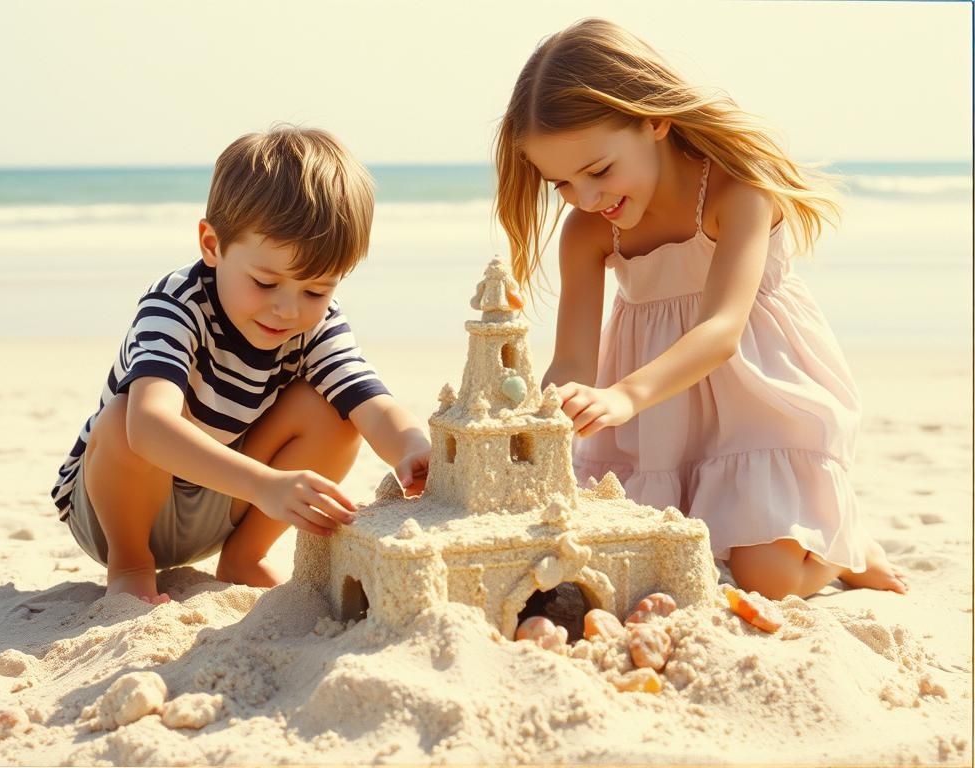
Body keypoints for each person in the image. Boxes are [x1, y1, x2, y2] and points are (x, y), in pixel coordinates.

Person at [493, 18, 906, 600]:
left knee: (771, 580)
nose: (585, 199)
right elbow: (572, 361)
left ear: (655, 120)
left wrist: (624, 395)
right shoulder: (587, 233)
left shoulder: (739, 193)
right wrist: (527, 431)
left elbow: (720, 331)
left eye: (599, 171)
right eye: (559, 184)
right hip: (660, 421)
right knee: (633, 563)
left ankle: (847, 552)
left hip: (758, 397)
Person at [51, 125, 431, 604]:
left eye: (316, 290)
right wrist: (266, 485)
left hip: (224, 499)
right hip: (115, 509)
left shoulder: (314, 324)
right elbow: (147, 428)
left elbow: (370, 401)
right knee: (126, 415)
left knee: (334, 413)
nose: (288, 309)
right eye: (266, 282)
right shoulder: (176, 306)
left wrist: (411, 448)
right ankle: (131, 568)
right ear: (212, 245)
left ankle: (244, 556)